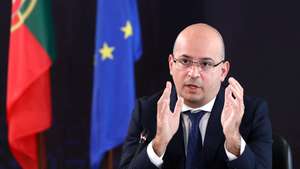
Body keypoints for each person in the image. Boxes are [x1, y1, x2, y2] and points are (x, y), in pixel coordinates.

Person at [119, 23, 272, 169]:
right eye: (185, 61)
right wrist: (159, 143)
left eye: (205, 64)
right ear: (171, 65)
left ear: (223, 71)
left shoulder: (250, 113)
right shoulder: (147, 111)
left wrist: (233, 140)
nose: (193, 74)